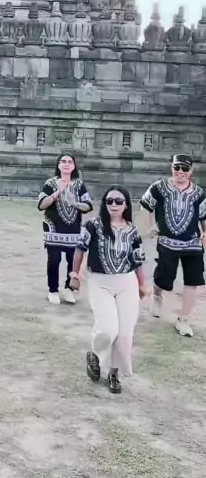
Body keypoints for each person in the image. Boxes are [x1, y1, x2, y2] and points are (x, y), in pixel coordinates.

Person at [71, 187, 147, 394]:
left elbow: (138, 260)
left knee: (124, 335)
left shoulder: (132, 231)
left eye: (119, 201)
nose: (114, 204)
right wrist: (75, 275)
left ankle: (114, 372)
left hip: (126, 282)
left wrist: (142, 284)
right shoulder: (93, 225)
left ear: (126, 205)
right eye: (110, 200)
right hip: (100, 282)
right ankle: (95, 355)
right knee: (107, 329)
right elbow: (80, 249)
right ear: (104, 203)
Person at [141, 154, 206, 338]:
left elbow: (203, 215)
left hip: (192, 242)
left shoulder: (198, 193)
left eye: (185, 168)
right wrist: (151, 225)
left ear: (191, 171)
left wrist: (205, 232)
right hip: (167, 241)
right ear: (172, 168)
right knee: (164, 277)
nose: (180, 171)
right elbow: (146, 205)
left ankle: (184, 319)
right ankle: (157, 296)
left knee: (193, 280)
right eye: (177, 167)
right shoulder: (159, 187)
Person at [38, 153, 93, 305]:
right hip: (53, 228)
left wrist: (74, 203)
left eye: (70, 162)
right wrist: (57, 192)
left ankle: (69, 289)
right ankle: (53, 290)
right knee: (54, 260)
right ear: (58, 165)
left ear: (74, 166)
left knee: (72, 260)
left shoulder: (79, 185)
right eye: (63, 161)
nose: (66, 164)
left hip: (73, 229)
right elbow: (41, 205)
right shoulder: (50, 183)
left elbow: (88, 206)